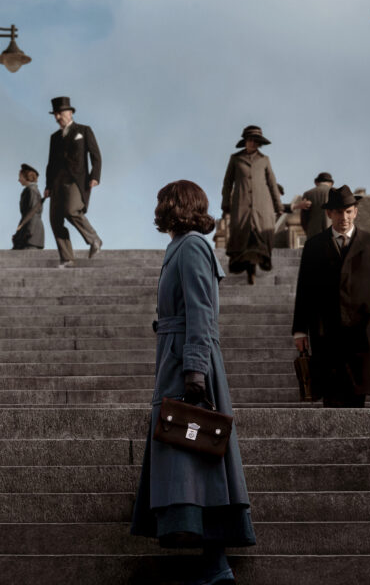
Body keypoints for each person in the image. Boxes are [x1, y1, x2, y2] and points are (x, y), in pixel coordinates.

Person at [132, 180, 255, 585]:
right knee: (192, 455)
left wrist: (196, 369)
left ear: (175, 205)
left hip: (188, 362)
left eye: (161, 200)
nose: (157, 207)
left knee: (201, 455)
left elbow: (203, 311)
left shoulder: (193, 246)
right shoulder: (180, 247)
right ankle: (212, 561)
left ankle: (217, 563)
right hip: (176, 358)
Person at [292, 185, 370, 408]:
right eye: (339, 212)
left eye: (349, 211)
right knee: (330, 394)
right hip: (325, 330)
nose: (344, 217)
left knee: (357, 391)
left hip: (361, 330)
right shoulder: (313, 246)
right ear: (329, 213)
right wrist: (300, 329)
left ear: (356, 211)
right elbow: (304, 290)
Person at [44, 96, 102, 267]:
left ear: (70, 112)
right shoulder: (54, 137)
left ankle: (94, 240)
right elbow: (51, 164)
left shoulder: (83, 131)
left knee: (71, 210)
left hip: (76, 181)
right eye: (55, 114)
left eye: (60, 113)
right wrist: (48, 186)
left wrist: (95, 176)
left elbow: (96, 156)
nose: (57, 117)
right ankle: (67, 258)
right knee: (55, 220)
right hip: (56, 183)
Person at [221, 125, 282, 284]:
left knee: (259, 236)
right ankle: (247, 270)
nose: (253, 143)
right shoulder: (235, 159)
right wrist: (225, 204)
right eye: (250, 140)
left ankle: (258, 266)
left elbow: (272, 184)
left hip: (262, 204)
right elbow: (228, 183)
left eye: (256, 141)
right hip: (241, 204)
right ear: (245, 141)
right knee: (242, 235)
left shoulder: (264, 160)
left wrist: (278, 206)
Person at [12, 163, 44, 250]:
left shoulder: (31, 190)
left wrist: (29, 231)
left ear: (27, 177)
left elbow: (33, 212)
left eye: (20, 176)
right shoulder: (30, 190)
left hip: (31, 235)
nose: (19, 180)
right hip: (28, 232)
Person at [295, 172, 334, 239]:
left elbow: (304, 218)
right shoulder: (336, 192)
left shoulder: (308, 194)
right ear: (331, 183)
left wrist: (308, 231)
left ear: (316, 182)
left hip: (313, 234)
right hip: (333, 233)